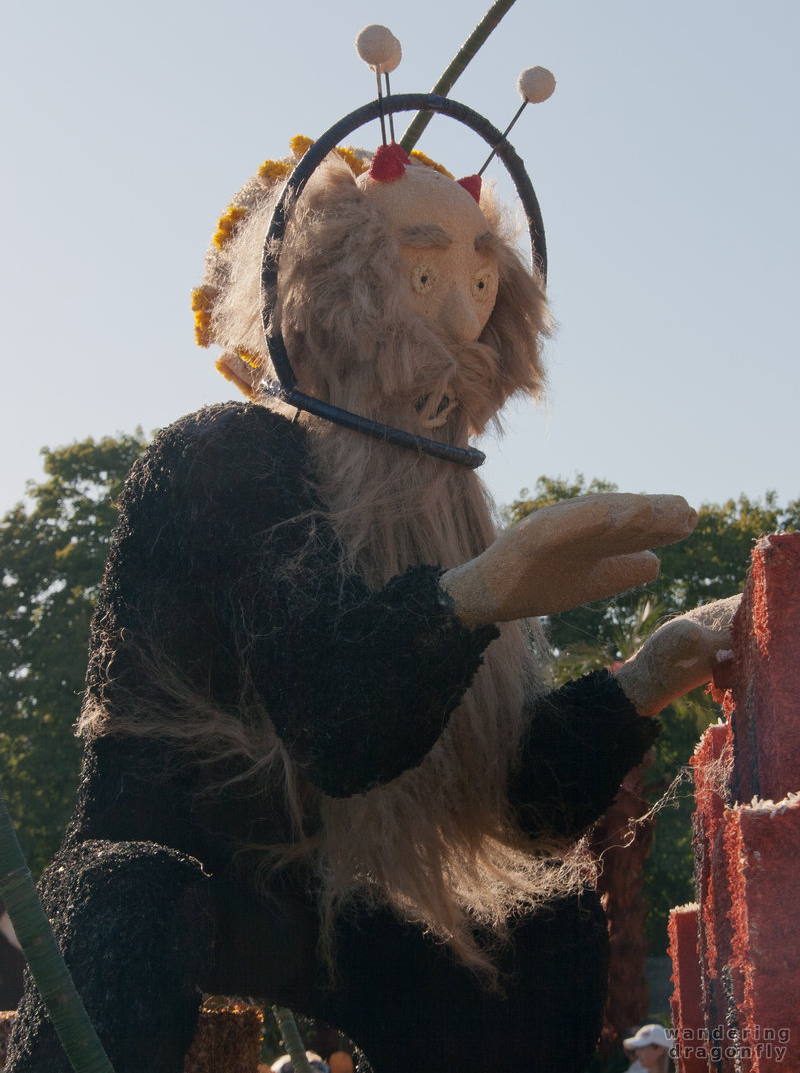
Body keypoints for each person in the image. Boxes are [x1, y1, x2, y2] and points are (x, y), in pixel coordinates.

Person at [5, 147, 735, 1073]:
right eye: (424, 276)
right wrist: (476, 596)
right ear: (330, 294)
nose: (462, 319)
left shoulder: (449, 518)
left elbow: (506, 806)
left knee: (531, 927)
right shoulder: (230, 456)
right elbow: (338, 724)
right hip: (177, 857)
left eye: (480, 282)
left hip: (321, 892)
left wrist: (643, 681)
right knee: (131, 908)